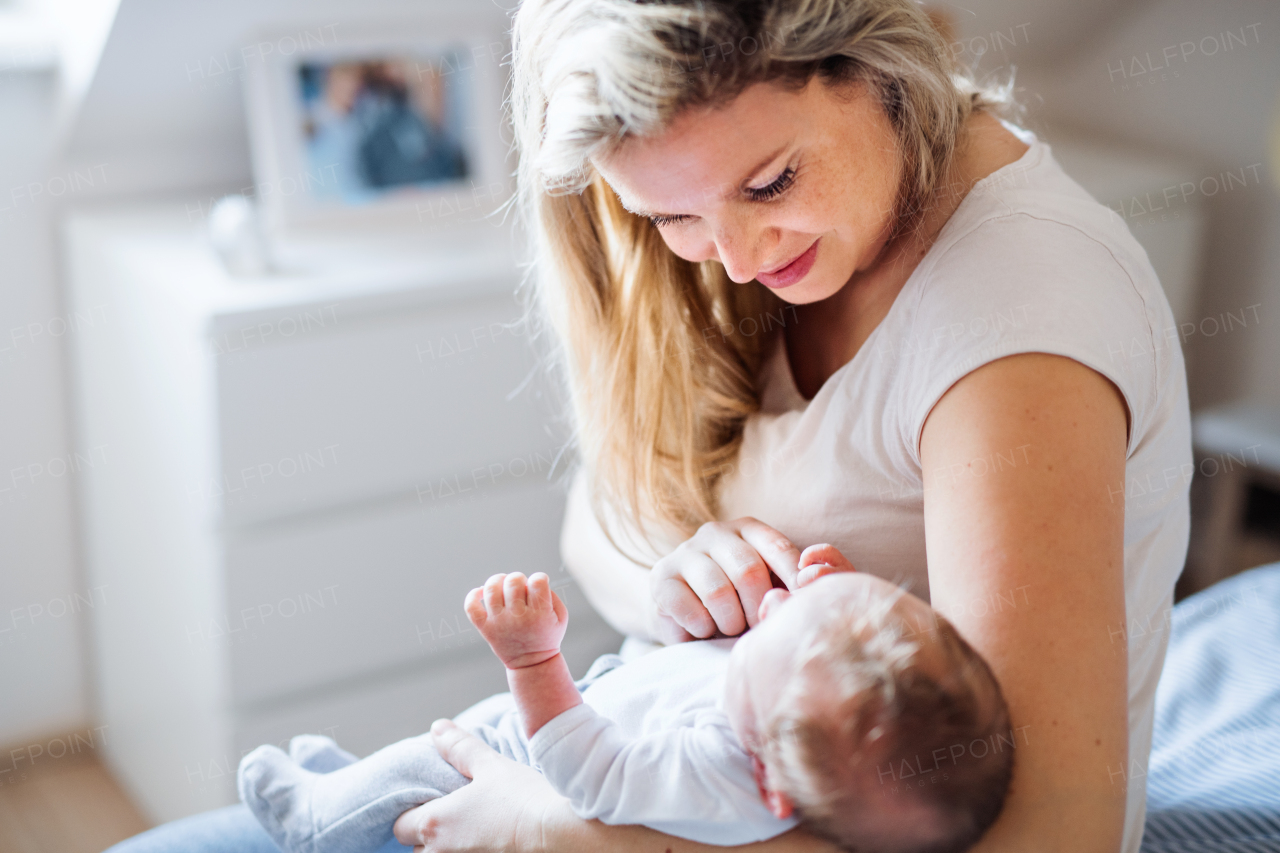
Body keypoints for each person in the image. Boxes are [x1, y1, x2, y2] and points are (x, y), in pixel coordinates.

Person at [106, 1, 1191, 851]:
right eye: (668, 215)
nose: (735, 253)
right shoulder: (774, 234)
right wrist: (684, 569)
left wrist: (573, 836)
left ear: (871, 68)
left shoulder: (1013, 330)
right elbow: (596, 526)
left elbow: (1050, 835)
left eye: (769, 181)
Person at [237, 557, 1014, 853]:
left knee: (414, 768)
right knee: (404, 761)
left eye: (766, 636)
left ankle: (313, 818)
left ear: (772, 784)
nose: (775, 607)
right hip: (599, 700)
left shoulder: (723, 780)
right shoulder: (793, 729)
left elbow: (591, 772)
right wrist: (829, 598)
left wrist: (535, 659)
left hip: (514, 760)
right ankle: (349, 788)